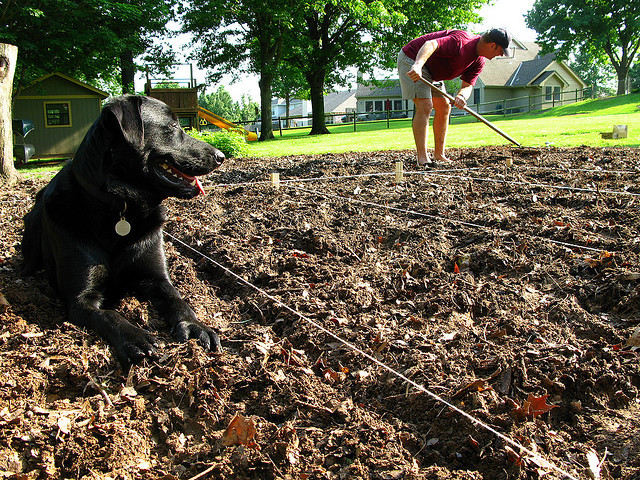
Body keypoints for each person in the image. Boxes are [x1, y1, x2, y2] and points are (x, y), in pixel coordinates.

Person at [398, 28, 511, 166]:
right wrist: (417, 65)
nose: (500, 55)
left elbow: (467, 85)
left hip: (433, 72)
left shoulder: (479, 61)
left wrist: (462, 96)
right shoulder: (461, 42)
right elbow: (431, 44)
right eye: (501, 51)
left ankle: (439, 155)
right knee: (425, 105)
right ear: (492, 45)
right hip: (413, 59)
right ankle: (423, 158)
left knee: (445, 106)